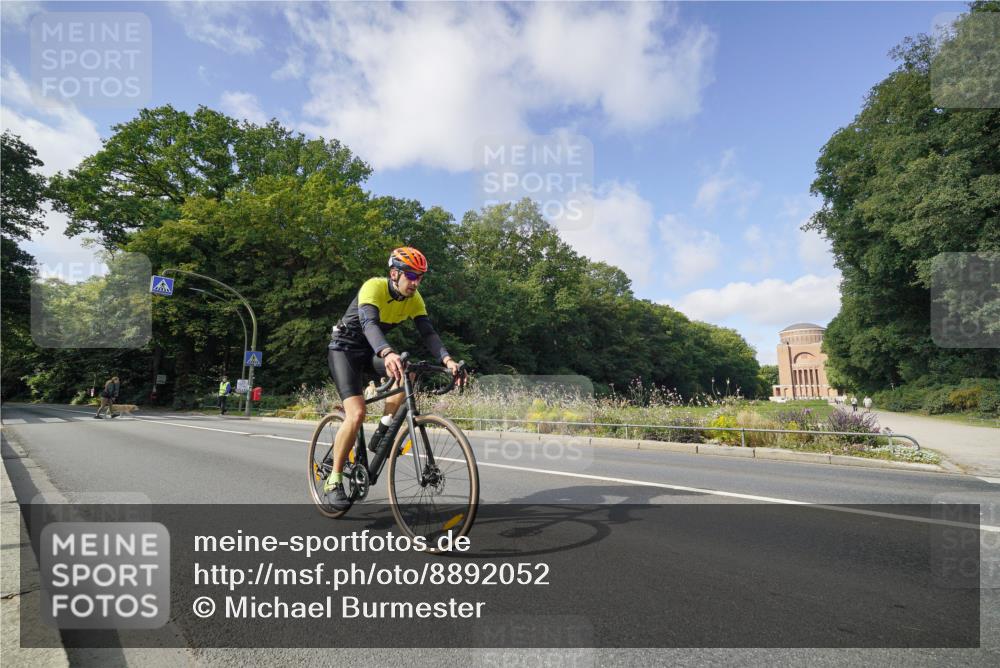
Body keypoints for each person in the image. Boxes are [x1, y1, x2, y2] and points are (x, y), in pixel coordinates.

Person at [324, 247, 462, 510]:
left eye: (420, 277)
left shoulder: (415, 299)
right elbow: (369, 325)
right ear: (394, 273)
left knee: (406, 371)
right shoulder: (373, 287)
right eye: (411, 275)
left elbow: (429, 334)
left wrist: (448, 360)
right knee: (356, 414)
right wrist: (387, 352)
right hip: (345, 350)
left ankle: (383, 431)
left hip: (371, 351)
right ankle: (334, 480)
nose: (415, 282)